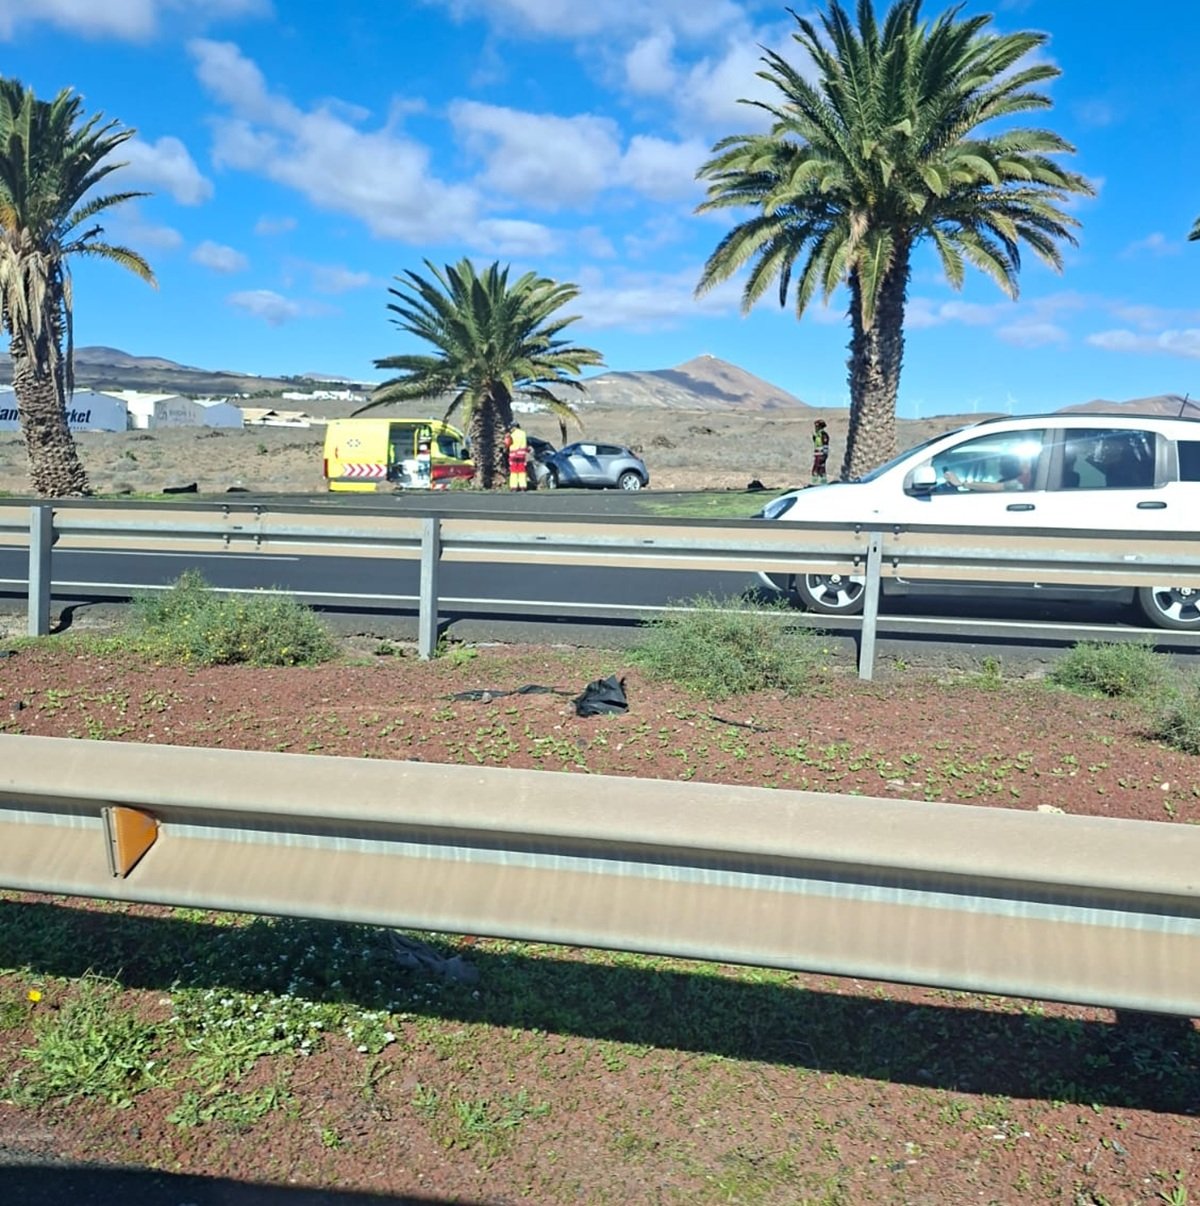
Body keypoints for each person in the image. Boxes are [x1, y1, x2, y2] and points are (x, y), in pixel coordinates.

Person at [944, 454, 1030, 492]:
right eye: (1001, 465)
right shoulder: (1004, 480)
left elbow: (996, 488)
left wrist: (961, 484)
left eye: (1004, 465)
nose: (1001, 469)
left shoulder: (1026, 480)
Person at [504, 420, 528, 491]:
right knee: (522, 471)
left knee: (514, 471)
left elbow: (507, 444)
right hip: (522, 455)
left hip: (513, 455)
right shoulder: (523, 433)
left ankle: (514, 487)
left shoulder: (512, 435)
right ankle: (523, 486)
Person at [810, 419, 830, 485]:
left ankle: (815, 483)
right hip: (817, 454)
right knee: (821, 469)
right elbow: (817, 443)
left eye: (817, 427)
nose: (815, 428)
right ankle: (823, 483)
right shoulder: (817, 435)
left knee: (816, 469)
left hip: (821, 454)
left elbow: (825, 444)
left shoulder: (823, 435)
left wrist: (824, 455)